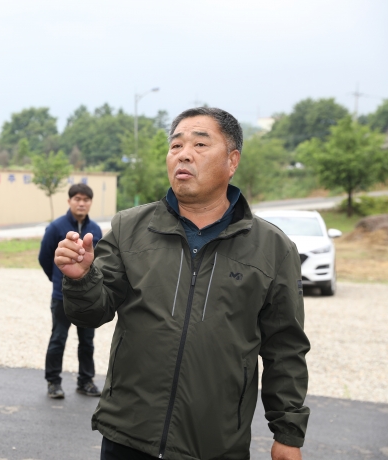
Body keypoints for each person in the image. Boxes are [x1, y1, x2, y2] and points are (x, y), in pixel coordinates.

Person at [55, 107, 310, 460]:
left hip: (216, 444)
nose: (184, 154)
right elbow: (91, 314)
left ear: (232, 161)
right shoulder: (129, 228)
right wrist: (81, 279)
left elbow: (285, 348)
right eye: (176, 145)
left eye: (200, 144)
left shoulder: (273, 248)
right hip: (127, 436)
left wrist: (288, 433)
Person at [38, 183, 103, 399]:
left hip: (88, 297)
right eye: (77, 199)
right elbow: (45, 258)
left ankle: (86, 381)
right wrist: (57, 280)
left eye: (86, 200)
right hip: (62, 297)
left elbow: (99, 261)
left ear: (90, 203)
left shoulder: (95, 230)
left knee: (87, 341)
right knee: (58, 338)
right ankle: (53, 382)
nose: (81, 203)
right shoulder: (56, 227)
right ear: (69, 201)